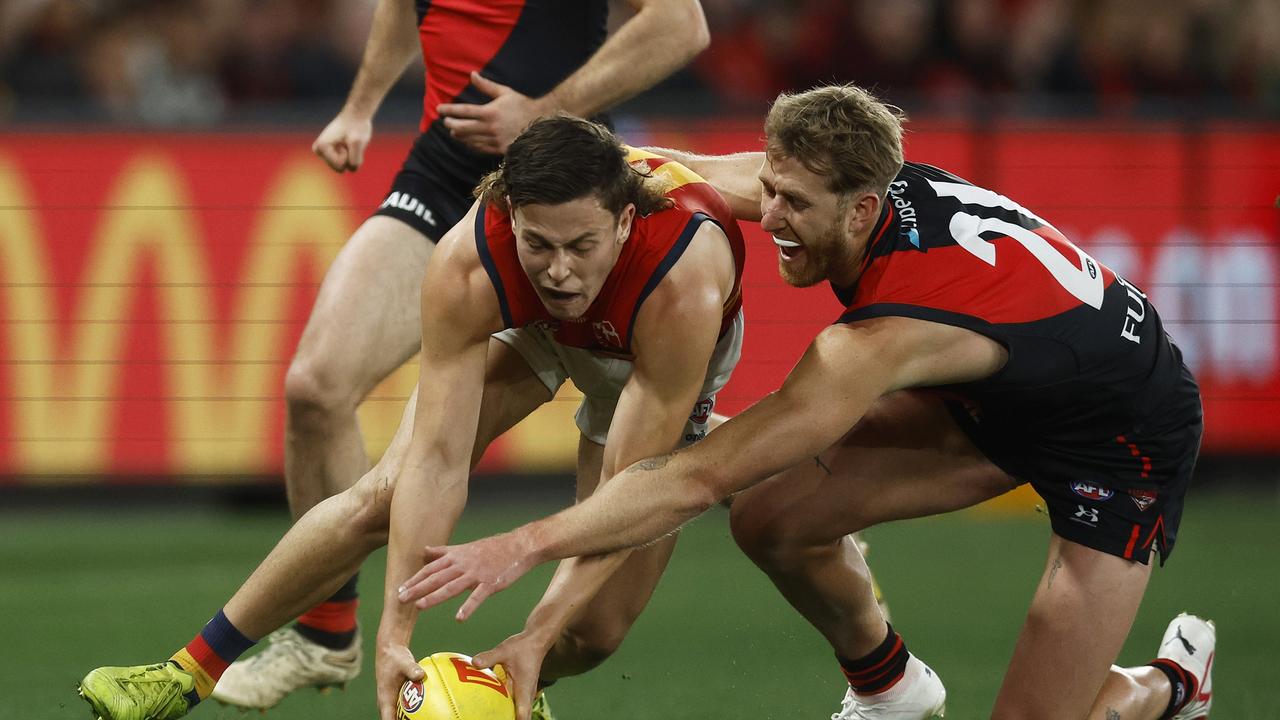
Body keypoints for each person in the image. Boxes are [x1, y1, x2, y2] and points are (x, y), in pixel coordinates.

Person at [398, 85, 1216, 720]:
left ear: (862, 210)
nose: (769, 216)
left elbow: (694, 482)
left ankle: (1163, 686)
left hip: (1122, 437)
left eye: (793, 206)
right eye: (771, 189)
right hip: (999, 388)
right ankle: (889, 687)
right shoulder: (852, 191)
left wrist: (524, 544)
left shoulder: (876, 340)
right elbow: (651, 168)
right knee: (775, 518)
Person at [77, 116, 746, 720]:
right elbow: (437, 460)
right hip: (541, 333)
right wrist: (396, 637)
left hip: (649, 361)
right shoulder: (468, 261)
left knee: (594, 632)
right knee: (384, 493)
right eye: (539, 244)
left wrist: (535, 637)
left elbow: (625, 496)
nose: (561, 271)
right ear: (509, 215)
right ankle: (184, 674)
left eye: (581, 246)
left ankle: (512, 679)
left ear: (625, 223)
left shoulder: (684, 279)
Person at [251, 0, 709, 710]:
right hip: (443, 171)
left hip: (560, 196)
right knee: (315, 388)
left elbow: (683, 25)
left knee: (598, 619)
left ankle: (758, 466)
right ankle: (326, 631)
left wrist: (547, 107)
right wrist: (360, 105)